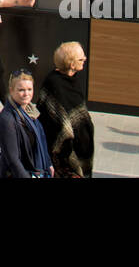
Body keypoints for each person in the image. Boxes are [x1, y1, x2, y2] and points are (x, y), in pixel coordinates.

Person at [37, 41, 94, 177]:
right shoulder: (54, 84)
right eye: (81, 58)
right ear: (71, 64)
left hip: (82, 149)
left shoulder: (74, 80)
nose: (85, 59)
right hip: (65, 155)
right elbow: (61, 125)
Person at [0, 69, 54, 178]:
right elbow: (13, 160)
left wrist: (48, 164)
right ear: (11, 90)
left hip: (35, 172)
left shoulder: (31, 112)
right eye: (21, 90)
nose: (26, 93)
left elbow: (41, 140)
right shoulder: (6, 120)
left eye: (29, 89)